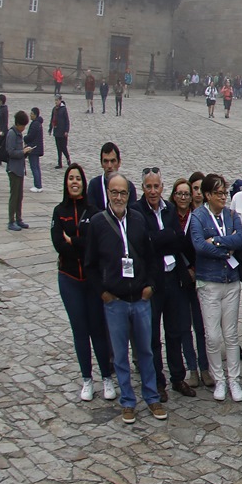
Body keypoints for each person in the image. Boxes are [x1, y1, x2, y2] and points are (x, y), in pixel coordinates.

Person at [82, 175, 166, 422]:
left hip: (139, 298)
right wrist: (103, 293)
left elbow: (151, 257)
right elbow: (90, 264)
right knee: (120, 355)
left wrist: (150, 285)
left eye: (123, 193)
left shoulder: (138, 220)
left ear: (129, 196)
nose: (119, 197)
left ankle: (151, 397)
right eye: (114, 192)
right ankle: (127, 400)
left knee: (146, 352)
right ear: (108, 193)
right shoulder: (98, 223)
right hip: (115, 301)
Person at [52, 162, 115, 400]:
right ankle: (87, 379)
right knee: (80, 329)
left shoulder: (93, 213)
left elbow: (95, 245)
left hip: (91, 279)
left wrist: (74, 242)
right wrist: (78, 244)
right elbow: (58, 243)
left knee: (98, 328)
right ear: (66, 183)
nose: (74, 182)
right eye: (71, 178)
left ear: (83, 182)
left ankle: (107, 377)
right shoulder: (59, 212)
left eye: (78, 178)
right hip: (69, 277)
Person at [188, 173, 242, 403]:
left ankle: (234, 379)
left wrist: (214, 241)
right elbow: (198, 246)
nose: (224, 197)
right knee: (213, 336)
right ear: (207, 195)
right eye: (219, 193)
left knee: (231, 334)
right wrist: (224, 249)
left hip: (231, 280)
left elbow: (239, 239)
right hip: (209, 282)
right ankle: (219, 379)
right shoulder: (198, 217)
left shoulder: (231, 214)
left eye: (225, 193)